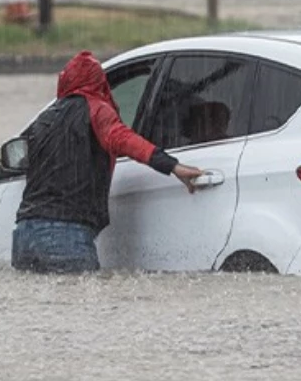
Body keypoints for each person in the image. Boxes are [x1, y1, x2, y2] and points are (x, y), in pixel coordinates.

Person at [12, 50, 203, 274]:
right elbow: (123, 139)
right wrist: (172, 166)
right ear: (99, 83)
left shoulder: (44, 118)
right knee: (82, 305)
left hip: (23, 235)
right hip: (64, 234)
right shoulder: (97, 109)